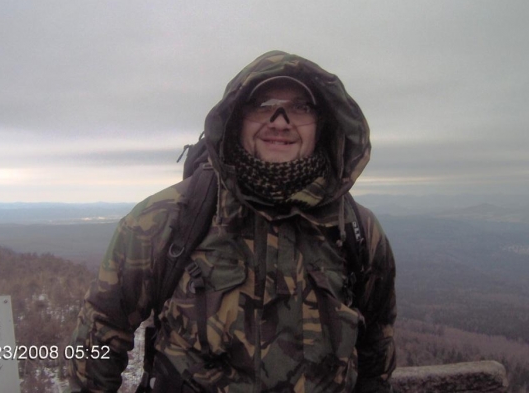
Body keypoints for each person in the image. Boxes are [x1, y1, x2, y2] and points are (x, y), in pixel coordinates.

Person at [66, 50, 397, 393]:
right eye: (263, 104)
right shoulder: (163, 219)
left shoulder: (357, 231)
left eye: (301, 107)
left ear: (322, 122)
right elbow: (100, 332)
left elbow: (377, 345)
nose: (280, 121)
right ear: (237, 118)